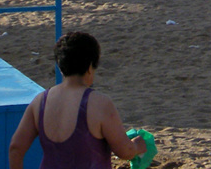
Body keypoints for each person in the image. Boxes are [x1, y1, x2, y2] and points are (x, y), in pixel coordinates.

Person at [9, 32, 147, 169]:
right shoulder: (99, 103)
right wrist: (137, 146)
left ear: (60, 66)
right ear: (89, 68)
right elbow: (124, 151)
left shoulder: (39, 101)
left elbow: (15, 148)